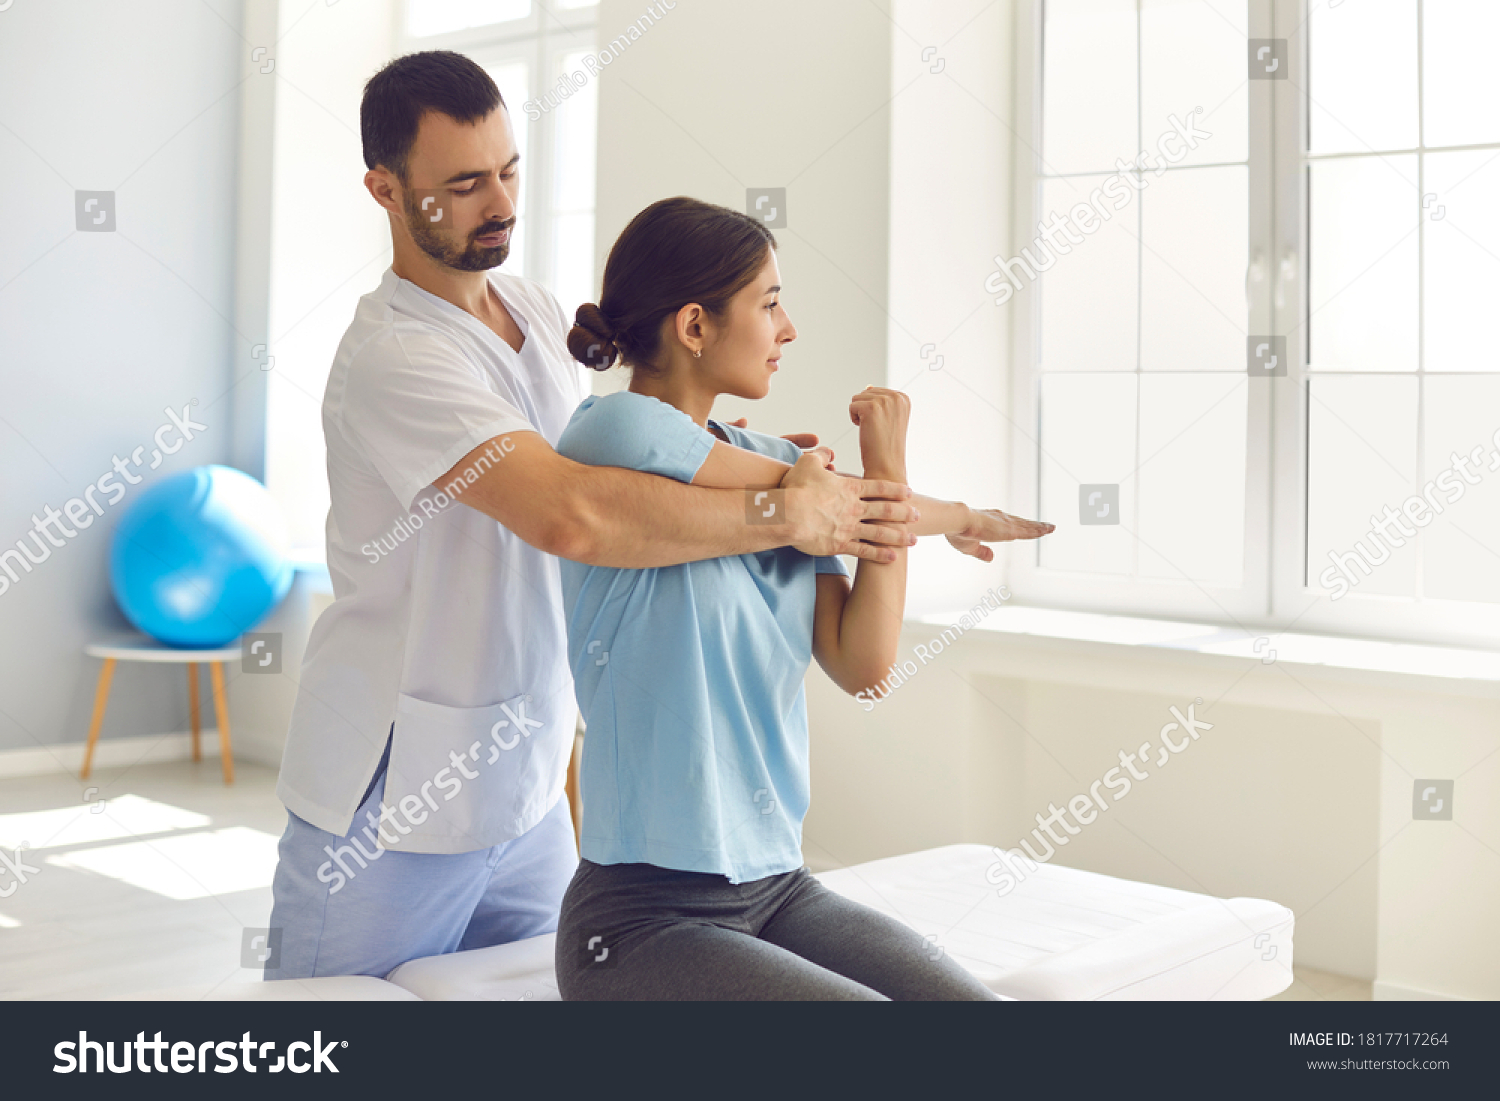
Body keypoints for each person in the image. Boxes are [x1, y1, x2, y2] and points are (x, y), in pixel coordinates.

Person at [263, 50, 996, 981]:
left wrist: (831, 486)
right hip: (391, 796)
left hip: (527, 789)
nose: (500, 202)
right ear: (386, 189)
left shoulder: (529, 313)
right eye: (463, 183)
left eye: (509, 170)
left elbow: (648, 460)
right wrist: (784, 509)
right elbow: (573, 515)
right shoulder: (397, 355)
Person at [553, 197, 1052, 1000]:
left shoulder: (795, 479)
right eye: (770, 302)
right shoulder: (608, 436)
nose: (789, 329)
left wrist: (886, 476)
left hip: (780, 890)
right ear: (694, 326)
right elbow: (829, 497)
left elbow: (865, 665)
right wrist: (901, 498)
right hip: (641, 917)